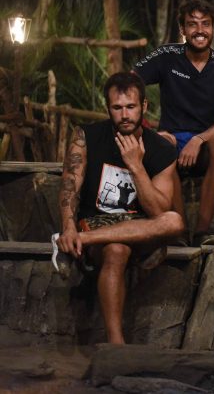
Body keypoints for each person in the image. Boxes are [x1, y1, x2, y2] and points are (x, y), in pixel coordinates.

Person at [51, 72, 185, 344]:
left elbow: (159, 212)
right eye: (117, 107)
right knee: (116, 250)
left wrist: (136, 166)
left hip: (139, 229)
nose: (125, 115)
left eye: (131, 106)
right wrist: (68, 226)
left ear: (144, 106)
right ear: (107, 108)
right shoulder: (86, 136)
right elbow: (69, 188)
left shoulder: (161, 149)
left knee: (174, 221)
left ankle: (84, 239)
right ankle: (116, 344)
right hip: (97, 223)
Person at [134, 0, 214, 246]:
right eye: (192, 24)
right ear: (182, 29)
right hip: (170, 142)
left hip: (204, 145)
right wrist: (143, 128)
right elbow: (129, 84)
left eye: (206, 24)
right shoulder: (166, 55)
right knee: (164, 142)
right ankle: (178, 230)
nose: (200, 30)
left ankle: (203, 231)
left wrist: (198, 140)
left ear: (213, 28)